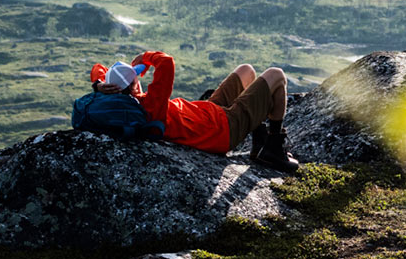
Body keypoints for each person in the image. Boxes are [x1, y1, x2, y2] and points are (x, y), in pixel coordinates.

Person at [91, 52, 299, 171]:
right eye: (137, 77)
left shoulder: (120, 102)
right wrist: (145, 58)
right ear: (135, 85)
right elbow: (166, 62)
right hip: (222, 129)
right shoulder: (152, 104)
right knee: (277, 75)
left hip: (209, 113)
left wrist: (99, 84)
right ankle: (273, 147)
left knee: (246, 70)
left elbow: (97, 70)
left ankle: (259, 141)